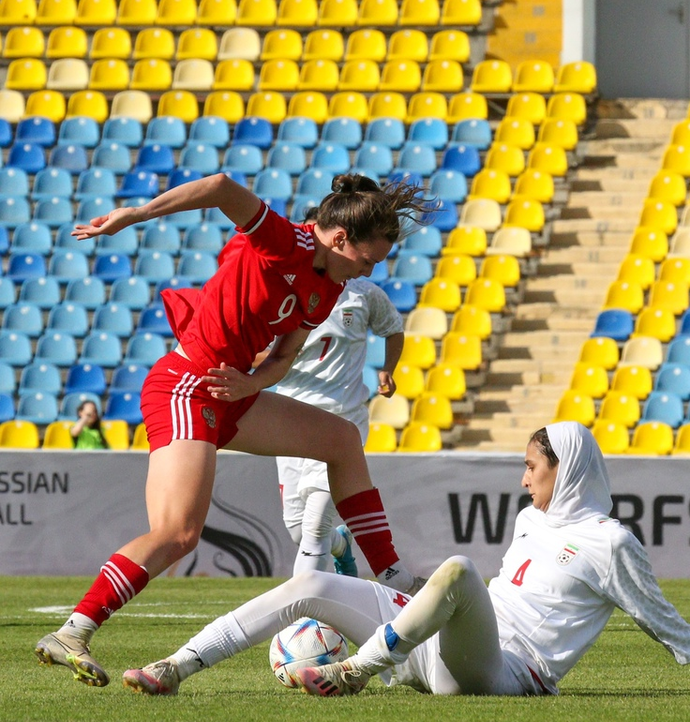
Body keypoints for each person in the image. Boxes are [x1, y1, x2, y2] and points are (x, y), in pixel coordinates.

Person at [36, 173, 426, 689]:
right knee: (178, 533)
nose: (371, 269)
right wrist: (134, 215)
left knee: (341, 439)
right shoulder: (284, 239)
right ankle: (73, 630)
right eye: (368, 259)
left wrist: (250, 384)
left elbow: (284, 356)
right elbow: (220, 186)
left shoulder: (328, 285)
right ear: (338, 239)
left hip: (230, 392)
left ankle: (393, 577)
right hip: (184, 386)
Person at [122, 422, 690, 700]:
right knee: (310, 581)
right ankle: (175, 667)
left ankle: (353, 671)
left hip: (503, 668)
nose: (524, 481)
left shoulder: (611, 541)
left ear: (570, 469)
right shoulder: (532, 519)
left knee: (462, 570)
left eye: (533, 467)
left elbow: (665, 622)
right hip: (434, 644)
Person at [275, 272, 406, 577]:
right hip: (289, 422)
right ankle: (342, 546)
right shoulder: (285, 291)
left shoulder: (364, 293)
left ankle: (310, 615)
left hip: (340, 423)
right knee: (298, 530)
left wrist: (388, 369)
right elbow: (262, 353)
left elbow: (394, 328)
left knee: (316, 523)